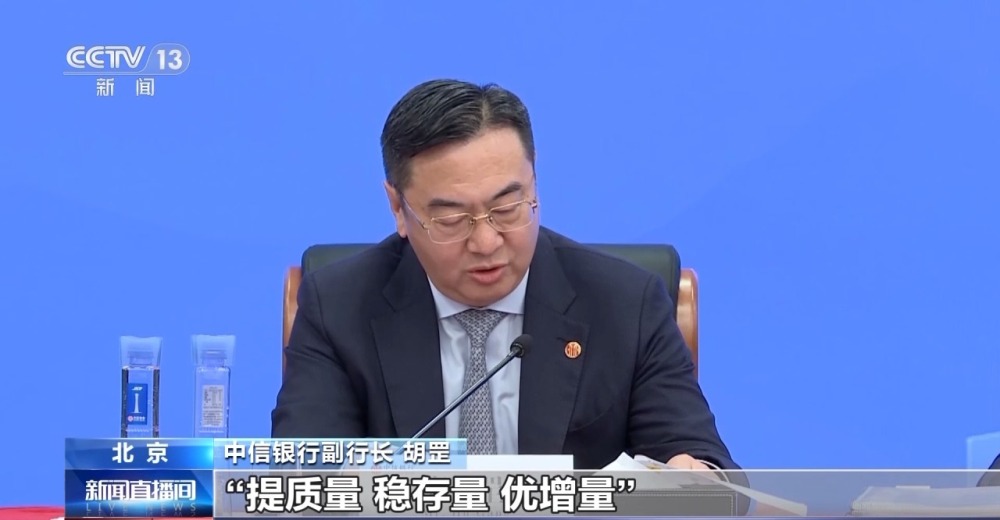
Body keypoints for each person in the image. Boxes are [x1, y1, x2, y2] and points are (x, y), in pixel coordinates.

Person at [272, 79, 741, 478]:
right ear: (398, 207)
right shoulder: (339, 306)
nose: (486, 242)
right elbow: (304, 477)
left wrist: (692, 474)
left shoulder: (625, 303)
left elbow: (699, 457)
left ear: (535, 185)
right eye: (452, 219)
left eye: (508, 208)